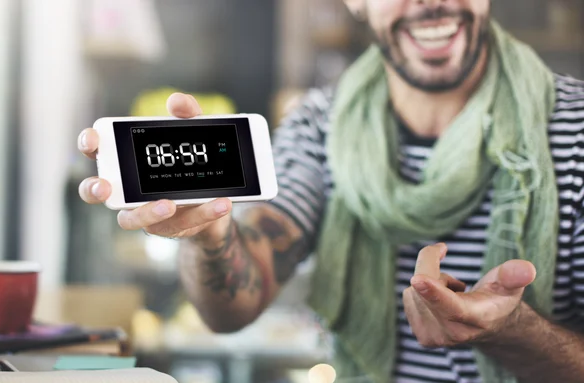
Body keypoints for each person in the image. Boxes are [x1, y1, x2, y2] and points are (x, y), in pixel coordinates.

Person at [78, 0, 584, 381]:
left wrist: (516, 332)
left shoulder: (576, 127)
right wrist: (211, 237)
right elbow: (232, 307)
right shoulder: (319, 125)